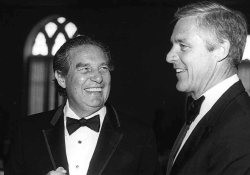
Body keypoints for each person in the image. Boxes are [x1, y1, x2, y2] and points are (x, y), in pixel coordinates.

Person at [5, 35, 161, 175]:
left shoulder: (140, 135)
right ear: (61, 78)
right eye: (85, 69)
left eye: (103, 68)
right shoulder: (27, 133)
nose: (98, 78)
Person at [166, 1, 250, 175]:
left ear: (220, 50)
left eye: (183, 45)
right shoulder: (207, 110)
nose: (169, 57)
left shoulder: (242, 127)